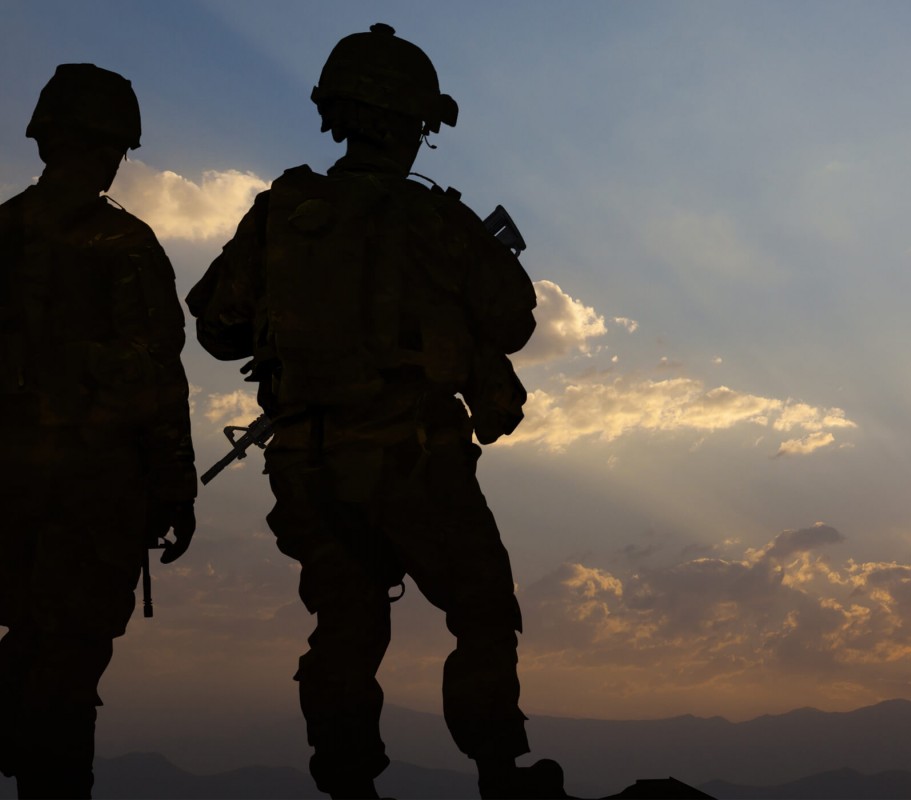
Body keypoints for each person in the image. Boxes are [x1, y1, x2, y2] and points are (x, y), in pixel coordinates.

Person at [185, 25, 558, 799]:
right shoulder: (438, 221)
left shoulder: (282, 211)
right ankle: (499, 773)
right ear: (413, 124)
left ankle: (348, 785)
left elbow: (216, 329)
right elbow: (515, 321)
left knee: (346, 631)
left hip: (308, 465)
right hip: (414, 458)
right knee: (483, 612)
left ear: (339, 114)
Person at [0, 64, 197, 799]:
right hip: (92, 493)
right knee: (71, 660)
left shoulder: (3, 234)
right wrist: (177, 490)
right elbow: (156, 378)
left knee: (38, 635)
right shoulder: (125, 245)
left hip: (11, 491)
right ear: (116, 146)